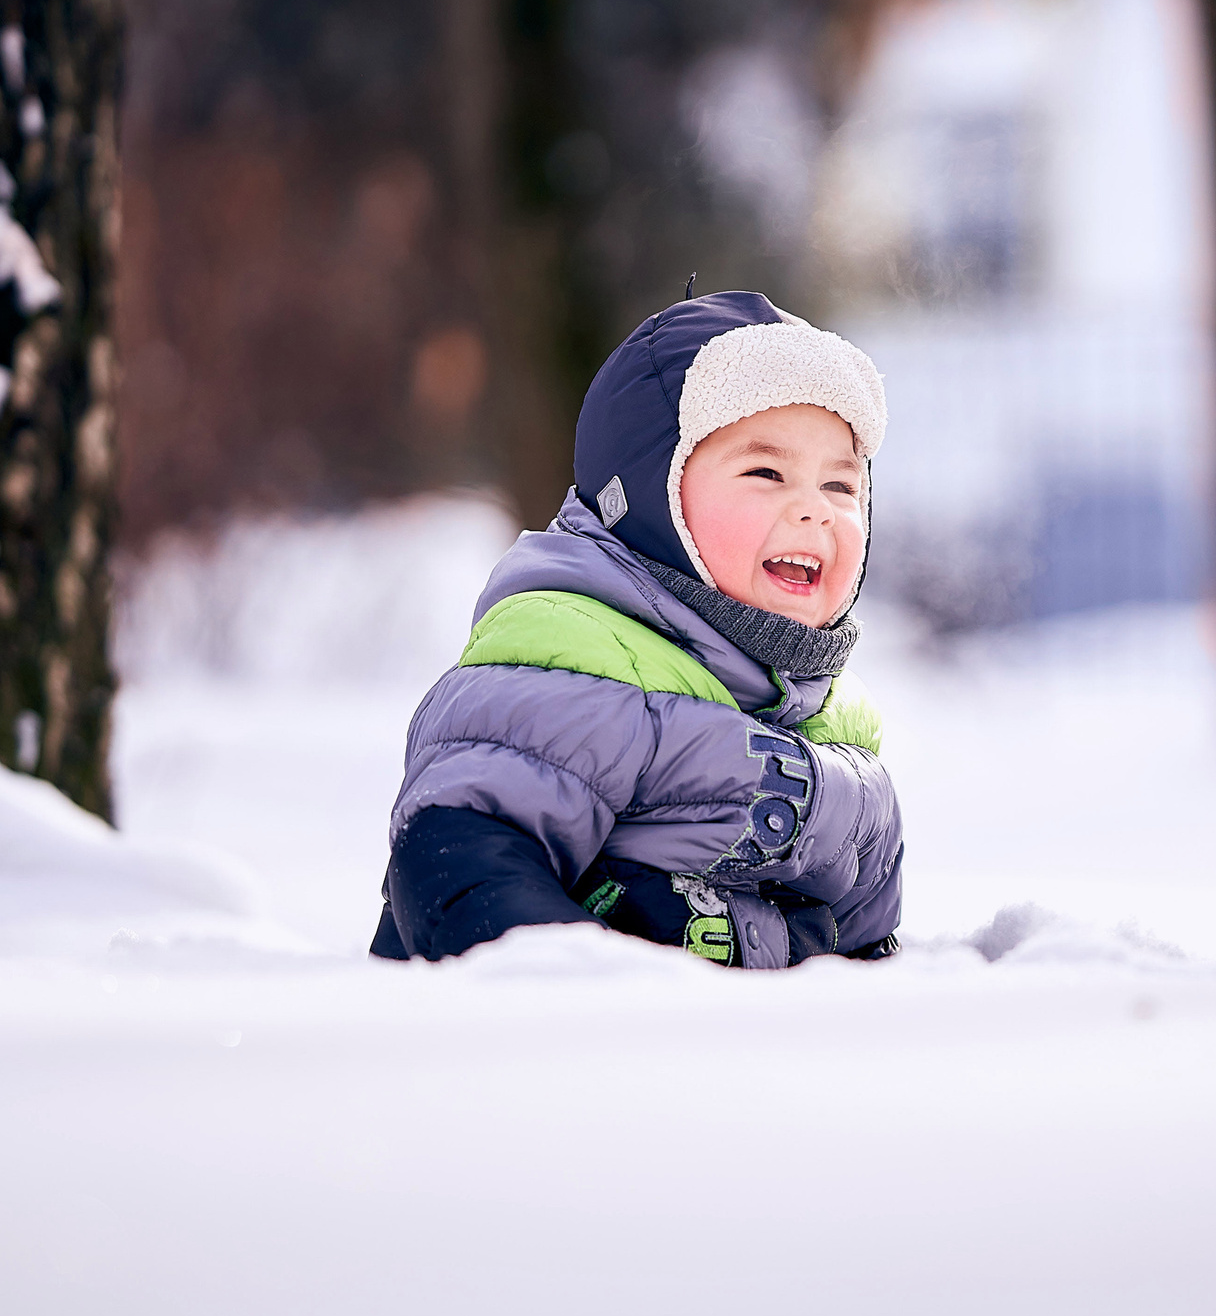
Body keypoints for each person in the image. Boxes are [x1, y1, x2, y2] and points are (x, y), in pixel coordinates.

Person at [370, 291, 905, 967]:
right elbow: (458, 862)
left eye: (841, 486)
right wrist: (590, 998)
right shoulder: (567, 661)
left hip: (752, 1064)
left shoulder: (839, 727)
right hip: (560, 1053)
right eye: (766, 472)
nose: (815, 512)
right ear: (652, 497)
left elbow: (865, 943)